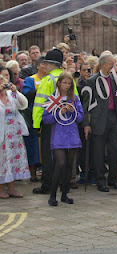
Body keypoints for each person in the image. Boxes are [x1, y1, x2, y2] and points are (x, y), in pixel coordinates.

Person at [81, 53, 117, 192]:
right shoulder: (92, 81)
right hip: (98, 119)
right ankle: (100, 180)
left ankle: (113, 178)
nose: (113, 66)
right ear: (104, 64)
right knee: (98, 152)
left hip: (113, 117)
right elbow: (86, 104)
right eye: (111, 63)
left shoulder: (114, 79)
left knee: (114, 150)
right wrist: (86, 124)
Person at [32, 48, 70, 195]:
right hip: (66, 122)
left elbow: (39, 105)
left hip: (49, 122)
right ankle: (63, 183)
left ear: (52, 64)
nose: (44, 66)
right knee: (63, 154)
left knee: (48, 155)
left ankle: (47, 184)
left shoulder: (47, 80)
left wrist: (36, 124)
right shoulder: (68, 77)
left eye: (46, 63)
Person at [41, 72, 83, 206]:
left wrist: (72, 111)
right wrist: (59, 114)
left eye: (69, 83)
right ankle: (52, 195)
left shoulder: (74, 98)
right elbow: (45, 119)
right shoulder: (52, 99)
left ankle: (65, 194)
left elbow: (80, 118)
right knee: (60, 163)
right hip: (58, 135)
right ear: (59, 83)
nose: (66, 85)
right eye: (64, 82)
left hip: (72, 135)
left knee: (69, 166)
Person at [0, 67, 30, 197]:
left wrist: (16, 92)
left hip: (14, 133)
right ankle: (1, 189)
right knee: (2, 160)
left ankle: (12, 188)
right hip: (2, 133)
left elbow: (23, 104)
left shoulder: (10, 94)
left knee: (13, 159)